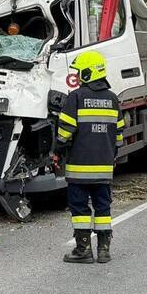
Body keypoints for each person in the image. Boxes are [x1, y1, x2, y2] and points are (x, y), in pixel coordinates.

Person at [55, 51, 123, 264]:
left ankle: (83, 250)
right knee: (103, 207)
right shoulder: (113, 99)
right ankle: (104, 250)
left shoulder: (76, 97)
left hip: (79, 168)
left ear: (87, 72)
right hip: (104, 169)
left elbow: (65, 132)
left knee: (80, 208)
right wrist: (111, 155)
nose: (77, 76)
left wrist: (57, 150)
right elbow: (118, 135)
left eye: (79, 72)